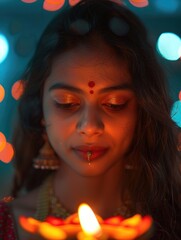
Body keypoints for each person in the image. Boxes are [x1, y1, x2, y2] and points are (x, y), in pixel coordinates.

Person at [0, 0, 181, 239]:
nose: (90, 126)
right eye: (66, 103)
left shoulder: (171, 223)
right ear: (41, 112)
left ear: (141, 111)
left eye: (114, 104)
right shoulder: (6, 226)